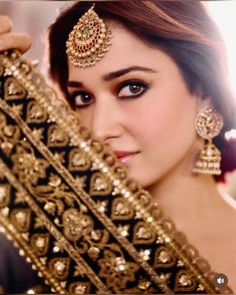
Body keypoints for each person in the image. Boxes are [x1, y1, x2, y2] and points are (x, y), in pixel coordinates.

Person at [0, 1, 236, 293]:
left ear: (204, 93)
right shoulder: (33, 250)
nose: (99, 129)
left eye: (132, 87)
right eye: (83, 98)